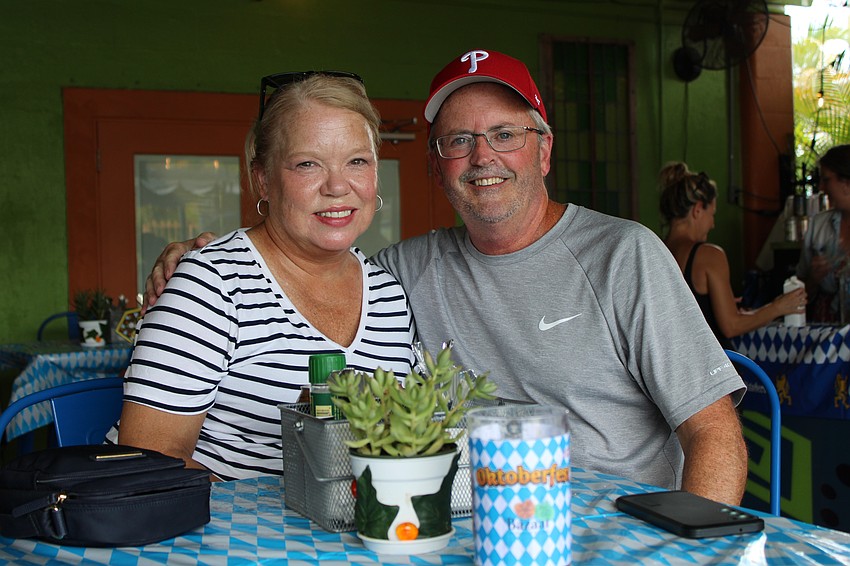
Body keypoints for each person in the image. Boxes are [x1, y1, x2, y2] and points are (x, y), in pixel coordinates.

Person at [144, 50, 748, 504]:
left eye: (506, 134)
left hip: (618, 527)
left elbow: (715, 435)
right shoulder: (403, 273)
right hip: (466, 528)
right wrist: (205, 254)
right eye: (459, 141)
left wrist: (686, 545)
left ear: (543, 151)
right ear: (436, 167)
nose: (483, 157)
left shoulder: (625, 255)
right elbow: (302, 257)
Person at [114, 71, 416, 481]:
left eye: (357, 161)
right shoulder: (212, 284)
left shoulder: (388, 295)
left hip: (351, 534)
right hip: (218, 537)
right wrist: (290, 513)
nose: (337, 186)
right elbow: (148, 457)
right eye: (307, 164)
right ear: (263, 180)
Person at [659, 162, 807, 348]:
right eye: (711, 214)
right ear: (697, 210)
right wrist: (779, 307)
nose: (712, 224)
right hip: (709, 366)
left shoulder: (654, 251)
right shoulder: (708, 255)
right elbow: (731, 326)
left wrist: (721, 305)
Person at [797, 144, 850, 323]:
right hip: (826, 332)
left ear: (846, 182)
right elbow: (798, 291)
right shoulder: (819, 225)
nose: (821, 188)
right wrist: (813, 278)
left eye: (826, 180)